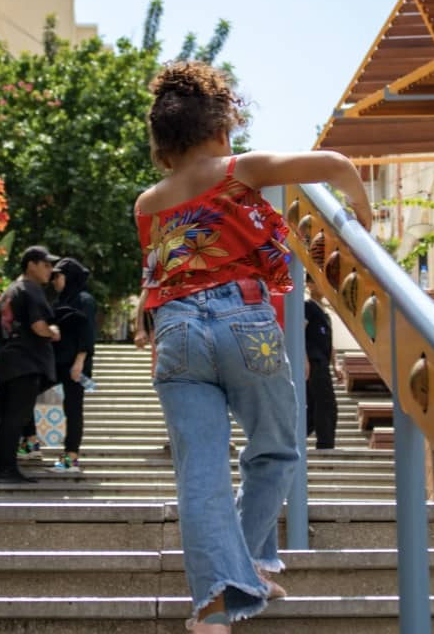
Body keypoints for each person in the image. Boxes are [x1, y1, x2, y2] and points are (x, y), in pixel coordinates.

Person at [134, 60, 372, 633]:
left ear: (163, 145)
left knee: (200, 475)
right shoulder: (241, 168)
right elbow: (337, 166)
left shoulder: (148, 203)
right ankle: (249, 561)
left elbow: (157, 274)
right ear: (219, 129)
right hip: (244, 321)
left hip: (176, 335)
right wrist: (365, 225)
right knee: (277, 446)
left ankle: (218, 605)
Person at [0, 245, 61, 484]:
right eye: (46, 265)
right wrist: (53, 332)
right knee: (15, 418)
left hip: (8, 362)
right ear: (31, 265)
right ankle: (6, 469)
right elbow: (38, 326)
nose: (50, 270)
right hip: (26, 363)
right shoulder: (31, 289)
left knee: (7, 418)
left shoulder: (10, 291)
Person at [49, 257, 98, 473]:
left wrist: (79, 362)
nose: (54, 281)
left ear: (67, 277)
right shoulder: (61, 300)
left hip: (74, 365)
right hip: (56, 362)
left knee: (73, 408)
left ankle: (71, 458)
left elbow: (87, 333)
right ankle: (30, 441)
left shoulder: (84, 300)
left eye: (57, 276)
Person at [304, 275, 338, 450]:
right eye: (318, 281)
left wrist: (336, 364)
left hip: (323, 361)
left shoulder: (325, 312)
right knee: (325, 403)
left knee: (314, 407)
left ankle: (293, 437)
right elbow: (300, 332)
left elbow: (330, 343)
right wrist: (304, 360)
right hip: (313, 361)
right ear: (309, 285)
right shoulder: (307, 307)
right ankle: (325, 444)